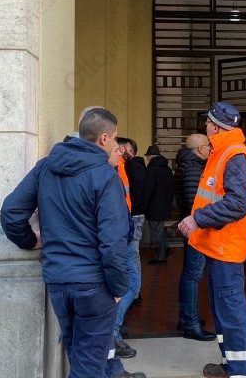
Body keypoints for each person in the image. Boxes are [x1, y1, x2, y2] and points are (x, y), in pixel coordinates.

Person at [0, 107, 145, 378]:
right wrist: (118, 288)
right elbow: (113, 242)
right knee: (87, 367)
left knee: (81, 356)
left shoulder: (46, 166)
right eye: (114, 139)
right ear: (103, 138)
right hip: (94, 285)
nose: (117, 146)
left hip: (58, 282)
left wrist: (31, 241)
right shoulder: (105, 177)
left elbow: (11, 213)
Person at [177, 102, 246, 378]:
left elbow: (237, 203)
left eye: (208, 122)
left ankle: (244, 371)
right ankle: (231, 365)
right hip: (218, 245)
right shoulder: (223, 152)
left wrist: (196, 219)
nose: (205, 126)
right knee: (223, 311)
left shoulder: (233, 154)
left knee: (232, 311)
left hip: (227, 247)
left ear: (214, 126)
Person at [173, 133, 216, 341]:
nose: (210, 149)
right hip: (196, 229)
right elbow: (193, 201)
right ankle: (190, 323)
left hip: (192, 226)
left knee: (190, 273)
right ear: (200, 149)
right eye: (208, 146)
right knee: (193, 274)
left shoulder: (187, 163)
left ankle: (186, 318)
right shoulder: (192, 168)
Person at [111, 138, 143, 359]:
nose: (121, 150)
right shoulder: (109, 167)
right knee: (131, 283)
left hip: (124, 230)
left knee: (131, 283)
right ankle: (111, 334)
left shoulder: (120, 165)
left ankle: (111, 333)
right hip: (120, 234)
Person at [144, 144, 173, 264]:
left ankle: (160, 258)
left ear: (150, 157)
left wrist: (144, 203)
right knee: (159, 230)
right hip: (165, 205)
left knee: (156, 233)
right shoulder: (167, 169)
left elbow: (148, 189)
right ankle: (165, 248)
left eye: (147, 157)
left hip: (154, 206)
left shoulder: (151, 170)